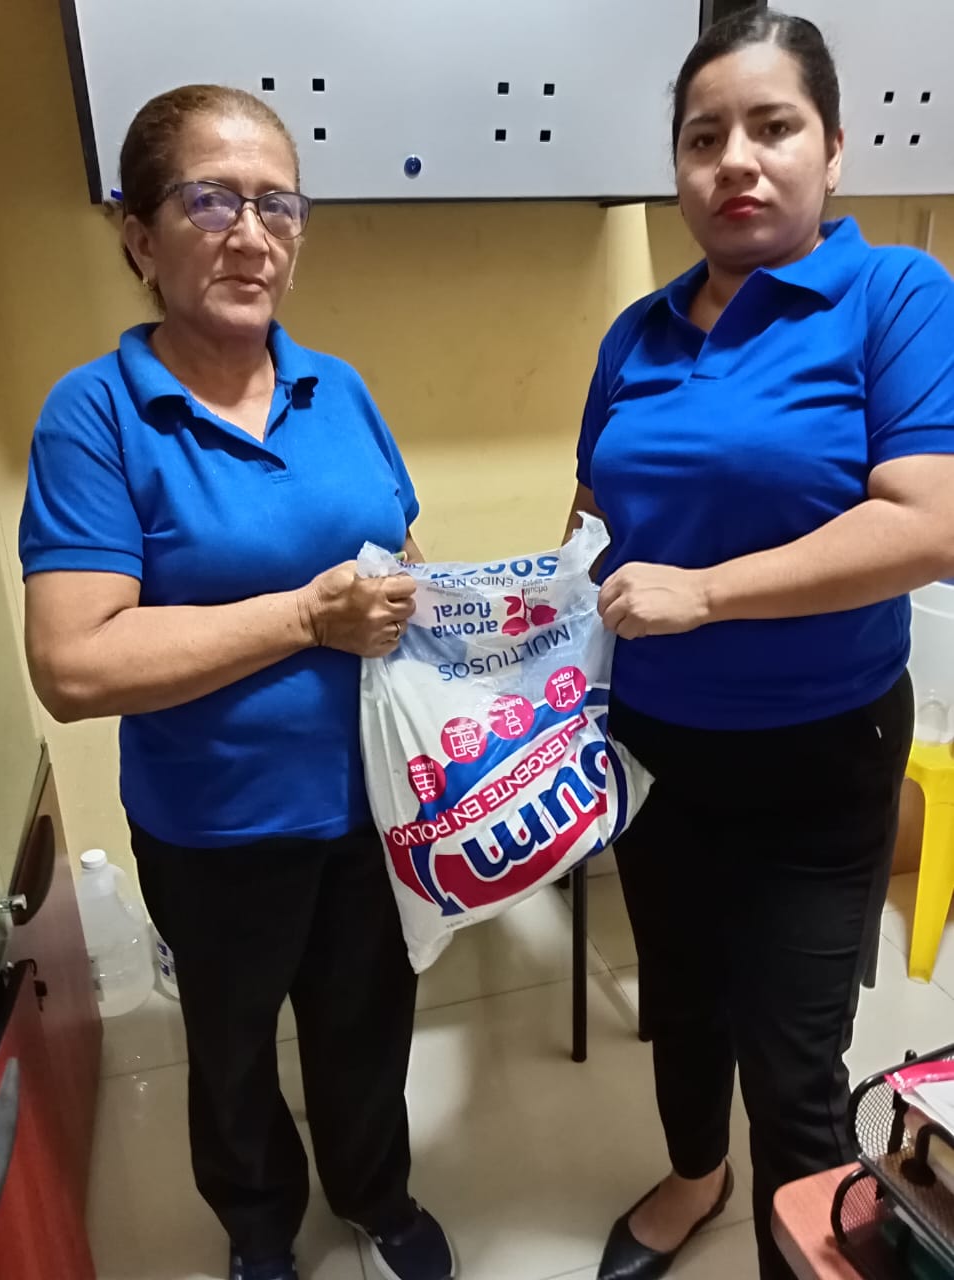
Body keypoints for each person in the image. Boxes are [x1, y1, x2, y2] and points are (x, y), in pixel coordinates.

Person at [19, 85, 454, 1280]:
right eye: (211, 201)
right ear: (139, 234)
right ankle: (260, 1227)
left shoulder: (339, 388)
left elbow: (401, 560)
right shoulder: (96, 415)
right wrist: (306, 615)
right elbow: (74, 662)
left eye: (279, 205)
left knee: (367, 1029)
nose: (251, 234)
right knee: (231, 1053)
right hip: (213, 828)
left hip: (374, 810)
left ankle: (377, 1194)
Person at [566, 11, 954, 1280]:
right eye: (702, 137)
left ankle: (801, 1242)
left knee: (792, 1054)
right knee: (679, 998)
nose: (734, 158)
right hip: (649, 746)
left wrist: (707, 594)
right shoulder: (636, 332)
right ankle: (695, 1176)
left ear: (831, 150)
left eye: (771, 126)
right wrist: (509, 630)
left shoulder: (897, 296)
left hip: (817, 752)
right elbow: (591, 524)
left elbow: (929, 524)